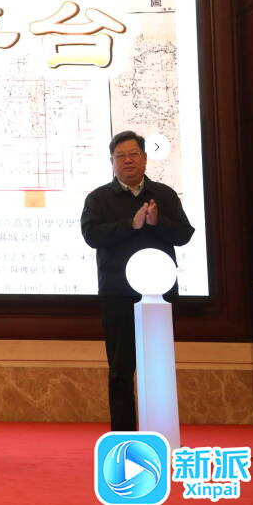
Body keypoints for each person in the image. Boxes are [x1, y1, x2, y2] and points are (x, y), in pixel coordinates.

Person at [80, 130, 195, 431]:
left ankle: (160, 432)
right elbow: (91, 236)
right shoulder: (99, 198)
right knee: (121, 368)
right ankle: (124, 436)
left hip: (159, 297)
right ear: (112, 162)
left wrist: (158, 223)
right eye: (120, 156)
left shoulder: (164, 195)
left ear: (144, 158)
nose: (127, 161)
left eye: (133, 154)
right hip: (117, 294)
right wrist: (130, 224)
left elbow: (184, 234)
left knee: (158, 367)